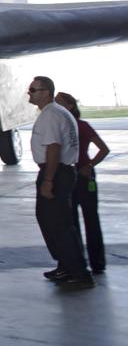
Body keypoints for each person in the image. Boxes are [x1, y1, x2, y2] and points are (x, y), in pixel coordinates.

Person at [28, 76, 94, 290]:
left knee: (57, 223)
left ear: (46, 92)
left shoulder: (50, 115)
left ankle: (78, 272)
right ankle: (66, 266)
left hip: (55, 172)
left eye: (33, 90)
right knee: (55, 221)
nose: (29, 93)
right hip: (61, 171)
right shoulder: (59, 113)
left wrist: (48, 179)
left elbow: (53, 147)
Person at [55, 91, 109, 275]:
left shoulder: (81, 126)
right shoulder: (58, 126)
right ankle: (77, 262)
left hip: (83, 175)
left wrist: (90, 165)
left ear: (71, 106)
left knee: (90, 219)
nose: (57, 105)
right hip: (66, 174)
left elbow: (103, 149)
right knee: (70, 222)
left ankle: (97, 262)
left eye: (60, 102)